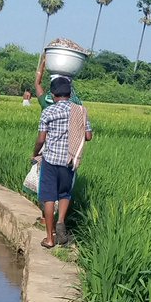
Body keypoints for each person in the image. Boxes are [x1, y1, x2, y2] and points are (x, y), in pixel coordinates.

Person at [32, 75, 92, 249]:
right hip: (70, 160)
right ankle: (61, 222)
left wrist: (34, 153)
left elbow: (41, 139)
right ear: (70, 93)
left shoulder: (48, 112)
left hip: (51, 160)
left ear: (52, 94)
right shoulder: (80, 110)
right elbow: (88, 136)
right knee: (64, 193)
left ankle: (50, 239)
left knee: (48, 197)